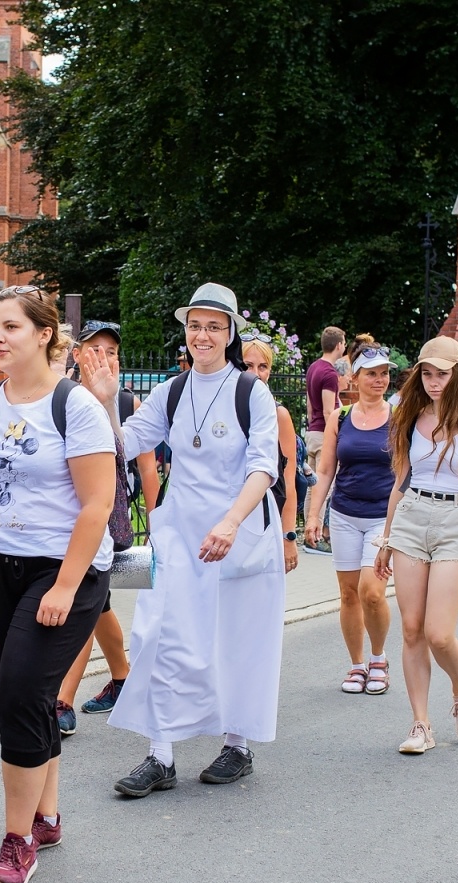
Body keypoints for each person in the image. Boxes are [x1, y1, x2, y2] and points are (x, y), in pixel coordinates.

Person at [0, 286, 115, 883]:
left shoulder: (76, 407)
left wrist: (63, 585)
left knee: (18, 697)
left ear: (43, 335)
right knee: (27, 693)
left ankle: (17, 841)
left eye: (11, 327)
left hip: (64, 570)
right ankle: (48, 813)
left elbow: (97, 505)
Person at [100, 282, 284, 796]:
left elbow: (263, 466)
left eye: (214, 326)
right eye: (195, 325)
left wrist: (230, 522)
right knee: (158, 634)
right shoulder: (172, 390)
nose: (203, 335)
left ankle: (237, 745)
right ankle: (160, 755)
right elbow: (123, 442)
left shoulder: (252, 392)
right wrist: (105, 400)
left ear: (230, 334)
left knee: (235, 640)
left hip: (239, 533)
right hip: (180, 532)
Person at [373, 335, 458, 755]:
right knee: (411, 630)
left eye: (441, 374)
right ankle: (421, 725)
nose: (432, 381)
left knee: (438, 633)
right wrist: (386, 540)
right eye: (426, 373)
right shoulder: (409, 416)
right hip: (412, 518)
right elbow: (399, 482)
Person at [59, 320, 147, 722]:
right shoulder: (61, 396)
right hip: (63, 516)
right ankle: (123, 676)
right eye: (96, 349)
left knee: (84, 602)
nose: (105, 358)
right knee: (99, 604)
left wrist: (155, 514)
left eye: (112, 352)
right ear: (77, 354)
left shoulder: (125, 402)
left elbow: (128, 455)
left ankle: (61, 701)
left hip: (104, 519)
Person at [303, 346, 397, 696]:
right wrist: (314, 514)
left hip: (382, 519)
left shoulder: (400, 415)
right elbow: (326, 469)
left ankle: (378, 658)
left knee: (372, 592)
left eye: (384, 373)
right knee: (348, 594)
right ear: (354, 378)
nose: (379, 379)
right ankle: (357, 664)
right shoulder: (339, 417)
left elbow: (407, 471)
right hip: (343, 514)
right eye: (371, 373)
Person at [239, 335, 300, 573]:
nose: (256, 373)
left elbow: (289, 481)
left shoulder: (279, 416)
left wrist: (289, 536)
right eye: (248, 365)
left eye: (263, 366)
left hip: (265, 522)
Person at [302, 326, 345, 478]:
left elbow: (309, 405)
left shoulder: (313, 367)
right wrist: (335, 437)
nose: (344, 347)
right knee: (324, 485)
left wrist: (311, 425)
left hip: (313, 432)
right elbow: (328, 411)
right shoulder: (329, 373)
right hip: (323, 435)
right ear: (338, 345)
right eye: (344, 344)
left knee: (311, 486)